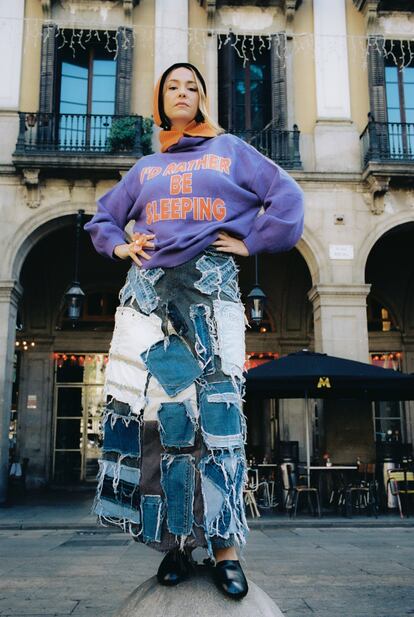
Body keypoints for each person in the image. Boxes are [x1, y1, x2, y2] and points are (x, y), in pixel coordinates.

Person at [84, 62, 304, 600]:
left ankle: (226, 550)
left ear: (203, 99)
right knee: (165, 424)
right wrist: (121, 246)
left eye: (192, 87)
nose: (182, 93)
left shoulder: (229, 150)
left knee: (220, 421)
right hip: (151, 301)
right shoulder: (147, 166)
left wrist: (252, 242)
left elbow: (286, 196)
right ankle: (178, 543)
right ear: (161, 101)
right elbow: (103, 218)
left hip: (211, 294)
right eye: (172, 87)